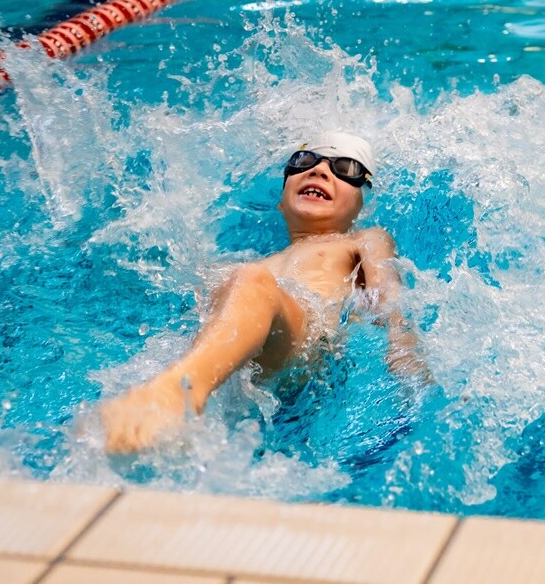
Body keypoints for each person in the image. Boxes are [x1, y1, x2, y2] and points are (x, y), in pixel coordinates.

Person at [102, 132, 425, 454]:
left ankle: (178, 393)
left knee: (250, 280)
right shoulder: (250, 265)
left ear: (360, 205)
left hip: (307, 340)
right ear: (281, 200)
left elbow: (388, 293)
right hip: (243, 360)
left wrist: (403, 348)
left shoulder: (363, 238)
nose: (319, 171)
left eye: (346, 168)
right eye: (303, 162)